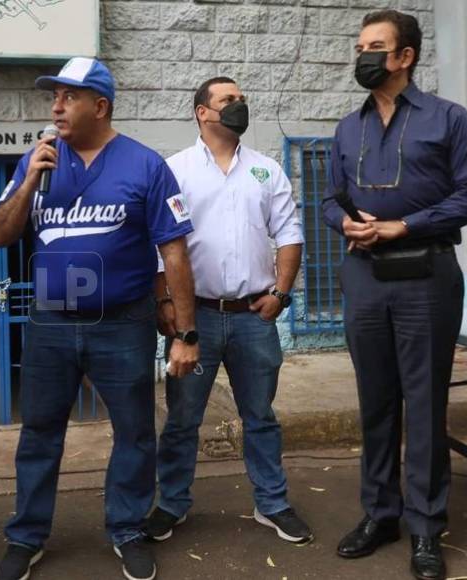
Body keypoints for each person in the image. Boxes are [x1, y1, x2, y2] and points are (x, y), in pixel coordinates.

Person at [0, 57, 199, 580]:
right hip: (51, 323)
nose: (56, 107)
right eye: (54, 97)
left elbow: (174, 252)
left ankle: (126, 528)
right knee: (39, 433)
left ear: (100, 106)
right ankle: (26, 535)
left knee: (134, 431)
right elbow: (0, 235)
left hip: (122, 322)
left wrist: (185, 333)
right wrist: (28, 182)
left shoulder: (145, 165)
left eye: (69, 97)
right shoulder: (37, 160)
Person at [321, 10, 467, 580]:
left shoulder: (449, 119)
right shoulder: (348, 128)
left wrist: (407, 224)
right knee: (375, 401)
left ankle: (425, 527)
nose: (363, 56)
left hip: (426, 275)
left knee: (423, 404)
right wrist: (345, 224)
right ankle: (381, 515)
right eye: (359, 47)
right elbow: (328, 199)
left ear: (405, 56)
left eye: (375, 46)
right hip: (365, 275)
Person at [147, 76, 312, 546]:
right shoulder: (174, 170)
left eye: (242, 98)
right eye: (228, 100)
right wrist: (165, 302)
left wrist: (280, 294)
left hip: (252, 317)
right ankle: (172, 503)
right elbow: (157, 245)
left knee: (260, 416)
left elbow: (290, 234)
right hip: (193, 318)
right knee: (183, 419)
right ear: (202, 112)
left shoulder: (265, 170)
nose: (240, 104)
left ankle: (272, 503)